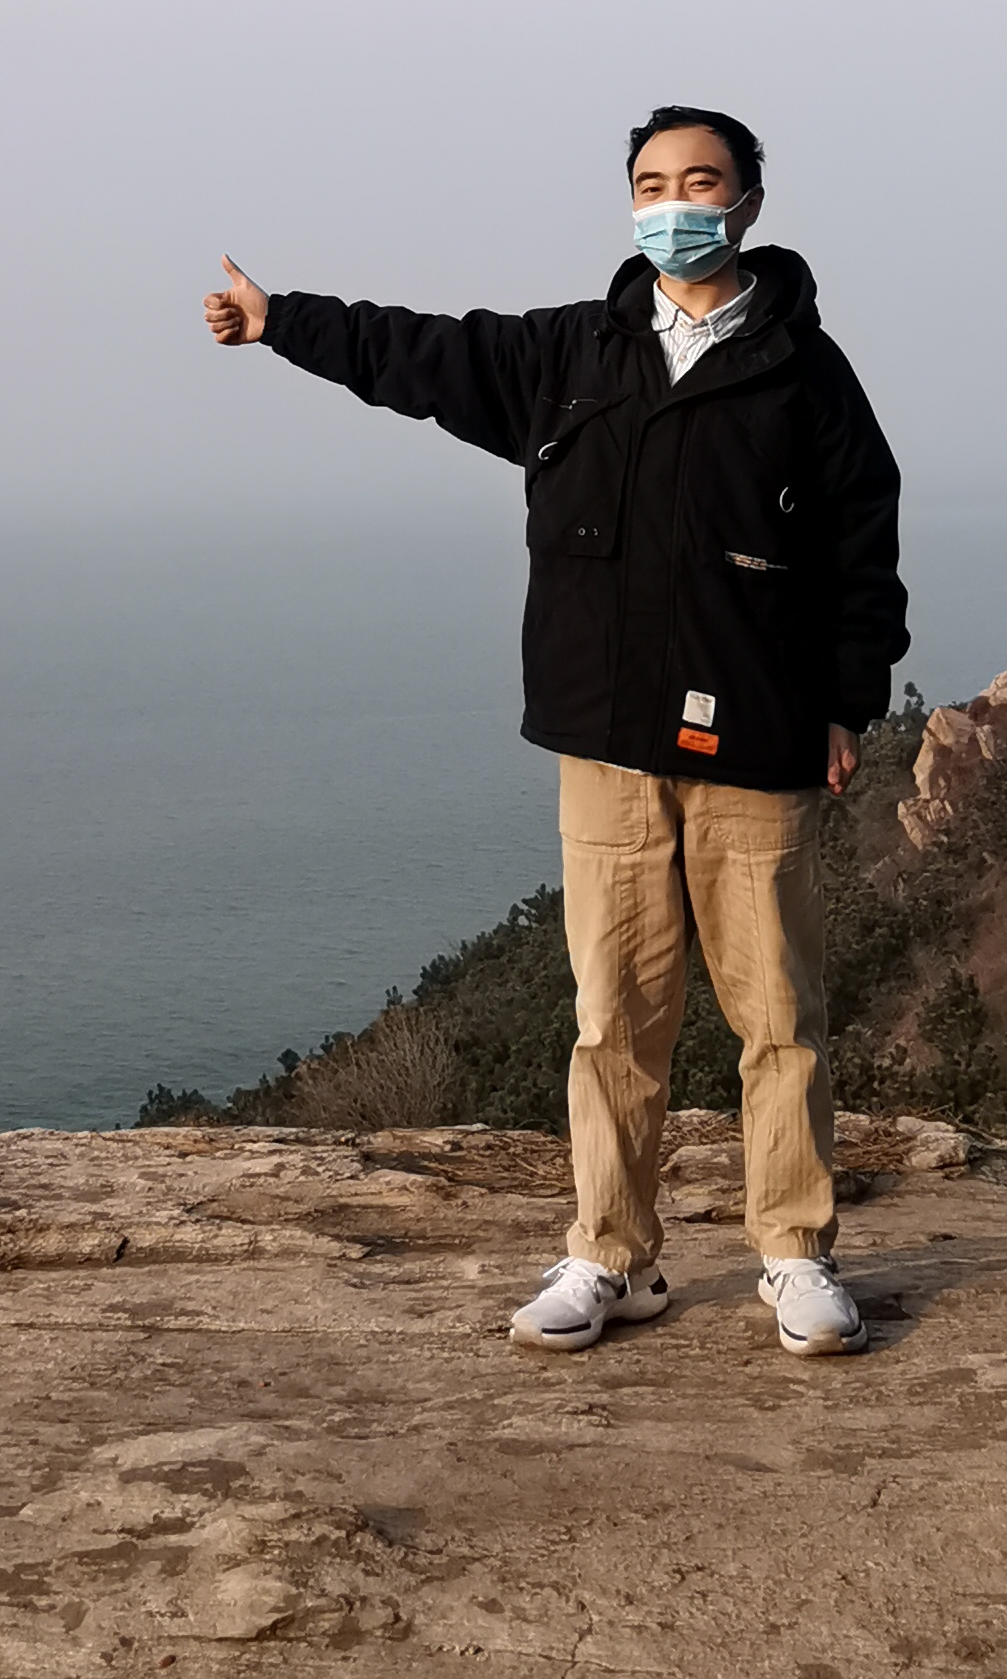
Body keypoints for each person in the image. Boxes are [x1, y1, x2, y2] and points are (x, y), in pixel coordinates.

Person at [201, 106, 905, 1358]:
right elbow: (422, 352)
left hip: (759, 735)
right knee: (613, 1017)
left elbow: (864, 542)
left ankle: (795, 1252)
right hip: (608, 738)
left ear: (748, 200)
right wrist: (281, 321)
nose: (674, 202)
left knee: (778, 1016)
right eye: (652, 182)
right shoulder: (572, 351)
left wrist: (848, 700)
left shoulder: (807, 369)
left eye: (700, 179)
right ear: (630, 202)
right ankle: (611, 1257)